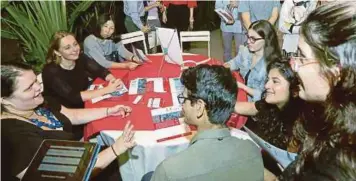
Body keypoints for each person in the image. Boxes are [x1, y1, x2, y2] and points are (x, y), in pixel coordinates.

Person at [1, 61, 136, 181]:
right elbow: (70, 173)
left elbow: (72, 115)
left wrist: (109, 111)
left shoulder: (38, 102)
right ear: (4, 99)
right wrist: (117, 148)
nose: (38, 87)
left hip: (83, 159)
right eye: (29, 88)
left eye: (36, 80)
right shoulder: (14, 136)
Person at [278, 2, 356, 180]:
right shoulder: (329, 119)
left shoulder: (336, 165)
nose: (294, 65)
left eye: (302, 57)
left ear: (336, 72)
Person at [150, 64, 264, 181]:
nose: (182, 105)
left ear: (199, 107)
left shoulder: (169, 171)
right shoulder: (253, 150)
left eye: (184, 99)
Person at [43, 31, 123, 109]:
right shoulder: (51, 72)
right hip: (69, 111)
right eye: (67, 48)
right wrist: (107, 89)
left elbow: (100, 71)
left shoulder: (80, 57)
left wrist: (113, 80)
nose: (75, 49)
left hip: (88, 100)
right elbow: (74, 97)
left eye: (75, 44)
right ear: (57, 52)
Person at [224, 20, 282, 102]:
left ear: (266, 40)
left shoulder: (272, 65)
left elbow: (263, 95)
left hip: (256, 104)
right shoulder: (245, 51)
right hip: (241, 95)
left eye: (253, 39)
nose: (248, 41)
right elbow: (235, 62)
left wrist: (243, 87)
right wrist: (223, 67)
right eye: (248, 36)